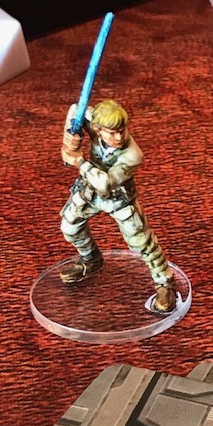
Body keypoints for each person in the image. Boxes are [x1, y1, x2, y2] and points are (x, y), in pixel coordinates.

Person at [59, 99, 177, 313]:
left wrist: (79, 161)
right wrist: (71, 132)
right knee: (70, 227)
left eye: (121, 130)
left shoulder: (133, 154)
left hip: (119, 197)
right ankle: (91, 260)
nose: (119, 137)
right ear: (98, 129)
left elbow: (106, 182)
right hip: (89, 192)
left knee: (141, 241)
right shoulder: (94, 124)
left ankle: (165, 283)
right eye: (112, 133)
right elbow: (77, 109)